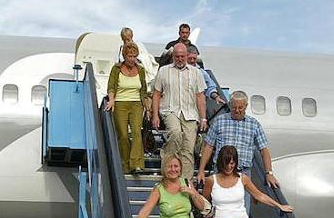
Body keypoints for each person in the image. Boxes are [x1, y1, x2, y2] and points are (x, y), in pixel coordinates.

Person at [197, 92, 277, 188]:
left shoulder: (254, 124)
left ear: (246, 106)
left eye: (240, 107)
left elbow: (264, 150)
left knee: (243, 203)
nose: (237, 110)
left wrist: (269, 173)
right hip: (220, 170)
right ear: (230, 105)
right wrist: (201, 171)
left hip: (243, 173)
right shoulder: (219, 121)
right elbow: (208, 146)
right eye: (234, 107)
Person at [150, 43, 205, 182]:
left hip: (190, 113)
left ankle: (185, 182)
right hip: (170, 110)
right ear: (173, 56)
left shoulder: (196, 73)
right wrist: (155, 115)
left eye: (182, 56)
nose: (180, 59)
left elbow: (200, 96)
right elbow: (156, 93)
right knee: (175, 133)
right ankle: (167, 169)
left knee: (188, 147)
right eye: (177, 56)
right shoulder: (163, 71)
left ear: (187, 56)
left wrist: (203, 118)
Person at [106, 42, 147, 174]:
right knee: (123, 135)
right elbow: (111, 86)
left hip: (136, 104)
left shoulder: (140, 70)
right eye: (129, 56)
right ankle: (125, 164)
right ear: (124, 56)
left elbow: (144, 90)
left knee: (136, 132)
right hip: (120, 104)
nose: (132, 59)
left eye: (134, 56)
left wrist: (147, 106)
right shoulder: (116, 69)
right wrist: (111, 100)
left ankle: (136, 164)